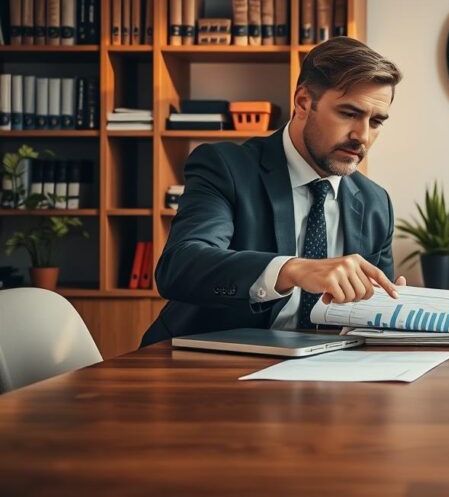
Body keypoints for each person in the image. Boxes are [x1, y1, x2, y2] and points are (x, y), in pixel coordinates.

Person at [141, 37, 406, 346]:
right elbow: (181, 266)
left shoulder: (375, 203)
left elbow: (373, 317)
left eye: (376, 122)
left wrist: (390, 309)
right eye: (348, 114)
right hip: (207, 364)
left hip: (324, 370)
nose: (362, 136)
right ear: (303, 102)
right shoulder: (226, 167)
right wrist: (292, 269)